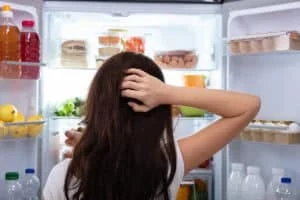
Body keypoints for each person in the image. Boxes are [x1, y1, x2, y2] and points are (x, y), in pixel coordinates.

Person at [43, 52, 260, 200]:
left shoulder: (62, 176)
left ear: (96, 107)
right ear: (159, 111)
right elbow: (249, 106)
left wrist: (95, 147)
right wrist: (168, 93)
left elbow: (113, 159)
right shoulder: (167, 163)